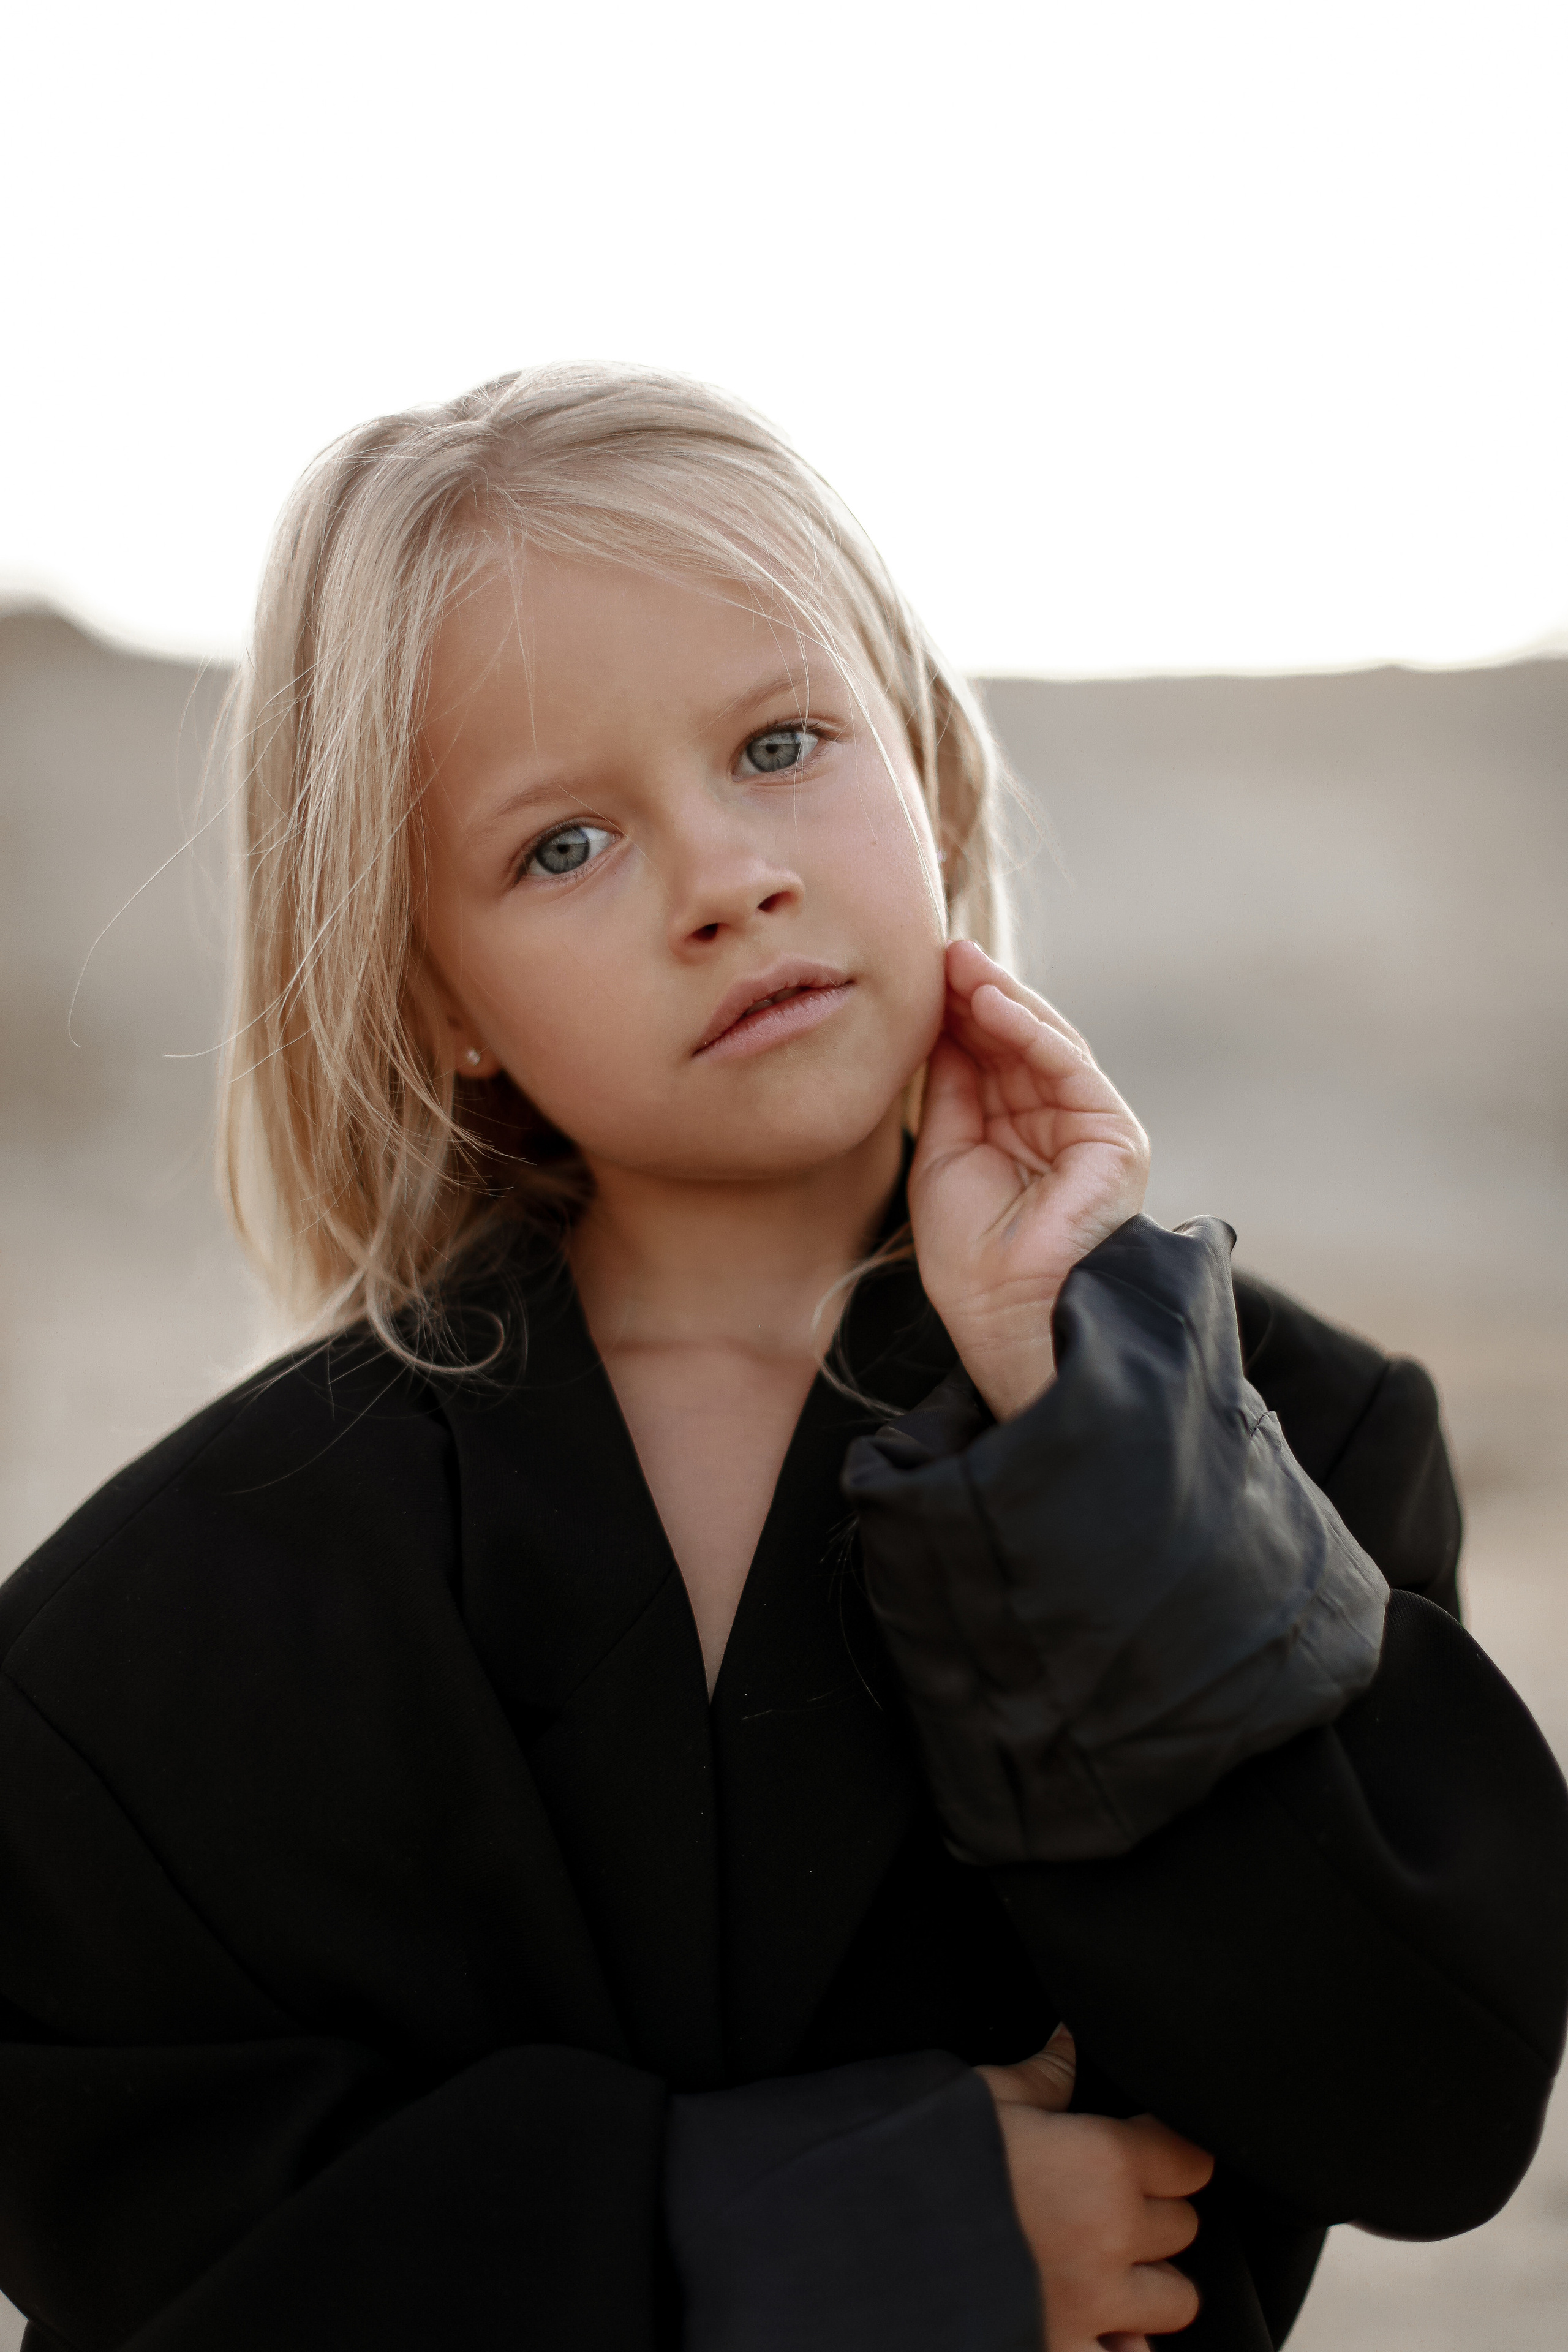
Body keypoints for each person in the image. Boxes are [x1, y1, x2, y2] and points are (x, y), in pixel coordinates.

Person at [1, 366, 1563, 2352]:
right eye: (563, 846)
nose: (727, 876)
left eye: (783, 742)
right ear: (436, 996)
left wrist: (1072, 1428)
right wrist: (800, 2239)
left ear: (925, 766)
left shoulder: (1292, 1447)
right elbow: (138, 2258)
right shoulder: (180, 1630)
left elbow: (1429, 2115)